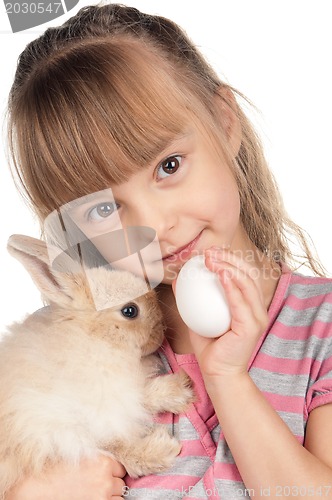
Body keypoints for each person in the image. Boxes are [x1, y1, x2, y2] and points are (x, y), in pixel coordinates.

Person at [5, 3, 332, 499]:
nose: (156, 227)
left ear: (224, 122)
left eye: (169, 165)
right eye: (103, 210)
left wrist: (227, 380)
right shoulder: (73, 355)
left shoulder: (322, 327)